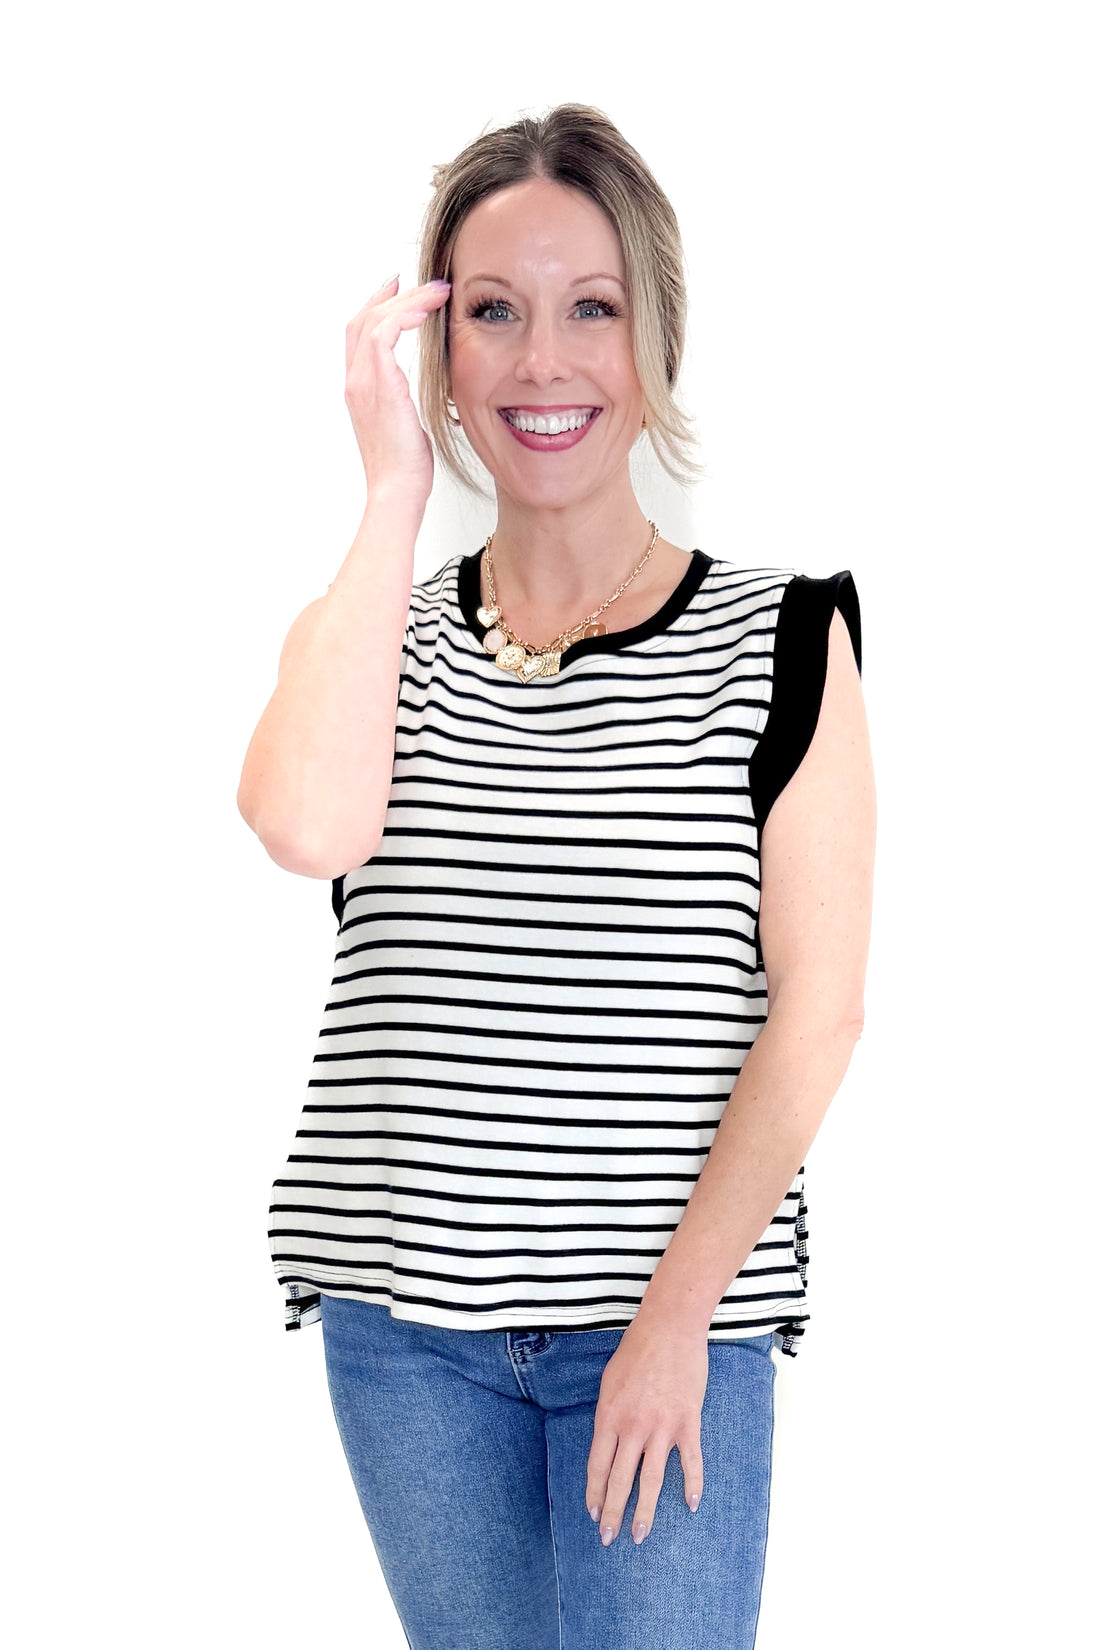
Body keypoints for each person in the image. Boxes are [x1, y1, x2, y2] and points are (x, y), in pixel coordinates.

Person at [237, 102, 875, 1650]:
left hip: (664, 1325)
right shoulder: (374, 633)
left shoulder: (781, 640)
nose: (542, 363)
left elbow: (819, 1014)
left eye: (591, 308)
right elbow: (304, 828)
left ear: (655, 339)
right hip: (408, 1337)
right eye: (492, 314)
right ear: (438, 351)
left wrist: (674, 1324)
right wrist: (391, 493)